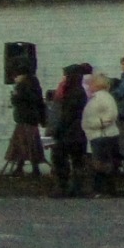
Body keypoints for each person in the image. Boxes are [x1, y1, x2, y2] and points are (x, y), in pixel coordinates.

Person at [49, 65, 89, 199]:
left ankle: (64, 187)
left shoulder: (73, 92)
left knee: (61, 159)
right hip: (77, 132)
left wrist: (57, 130)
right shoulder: (79, 91)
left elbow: (68, 115)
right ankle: (76, 187)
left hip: (69, 132)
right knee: (77, 161)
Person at [81, 73, 121, 197]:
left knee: (101, 164)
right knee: (100, 164)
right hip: (97, 135)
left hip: (103, 135)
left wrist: (96, 124)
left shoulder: (104, 97)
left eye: (91, 83)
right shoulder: (95, 97)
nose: (89, 85)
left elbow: (111, 115)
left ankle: (104, 190)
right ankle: (102, 189)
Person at [5, 69, 47, 178]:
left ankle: (32, 169)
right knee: (25, 144)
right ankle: (22, 167)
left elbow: (19, 101)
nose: (15, 78)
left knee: (26, 144)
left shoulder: (23, 86)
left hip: (25, 119)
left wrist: (15, 95)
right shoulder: (34, 84)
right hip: (30, 119)